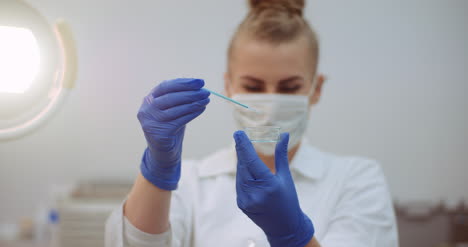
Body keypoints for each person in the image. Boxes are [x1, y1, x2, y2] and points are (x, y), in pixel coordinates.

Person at [105, 0, 398, 246]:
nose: (270, 104)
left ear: (316, 89)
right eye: (254, 87)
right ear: (229, 86)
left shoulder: (357, 180)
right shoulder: (191, 182)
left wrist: (293, 235)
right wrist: (157, 169)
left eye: (289, 87)